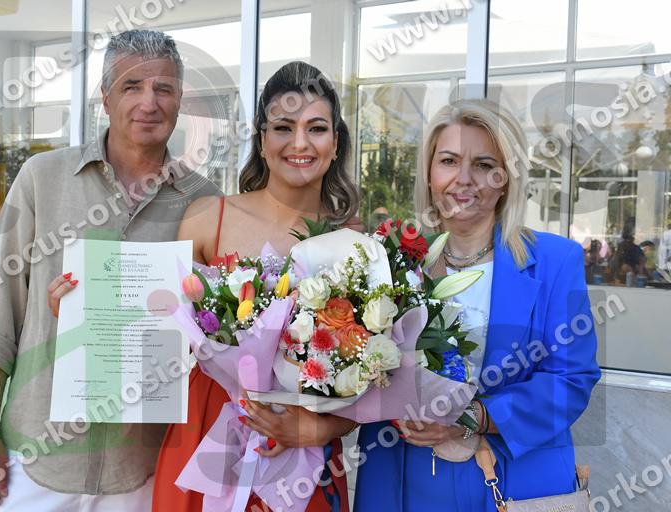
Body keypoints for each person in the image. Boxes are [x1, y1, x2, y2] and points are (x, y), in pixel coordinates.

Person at [49, 61, 360, 511]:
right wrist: (84, 312)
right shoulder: (208, 217)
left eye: (316, 128)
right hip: (206, 428)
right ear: (261, 140)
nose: (299, 143)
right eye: (282, 127)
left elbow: (369, 376)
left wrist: (319, 429)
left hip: (302, 451)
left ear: (335, 143)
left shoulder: (355, 242)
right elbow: (159, 335)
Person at [0, 30, 222, 510]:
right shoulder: (42, 179)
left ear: (180, 100)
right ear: (105, 97)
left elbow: (219, 334)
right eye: (131, 86)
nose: (149, 102)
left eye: (163, 88)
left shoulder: (206, 202)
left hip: (144, 467)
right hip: (37, 460)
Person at [353, 99, 601, 511]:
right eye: (449, 161)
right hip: (402, 478)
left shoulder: (557, 261)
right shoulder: (386, 261)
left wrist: (473, 416)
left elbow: (572, 380)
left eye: (485, 165)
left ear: (506, 179)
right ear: (429, 172)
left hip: (513, 481)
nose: (464, 179)